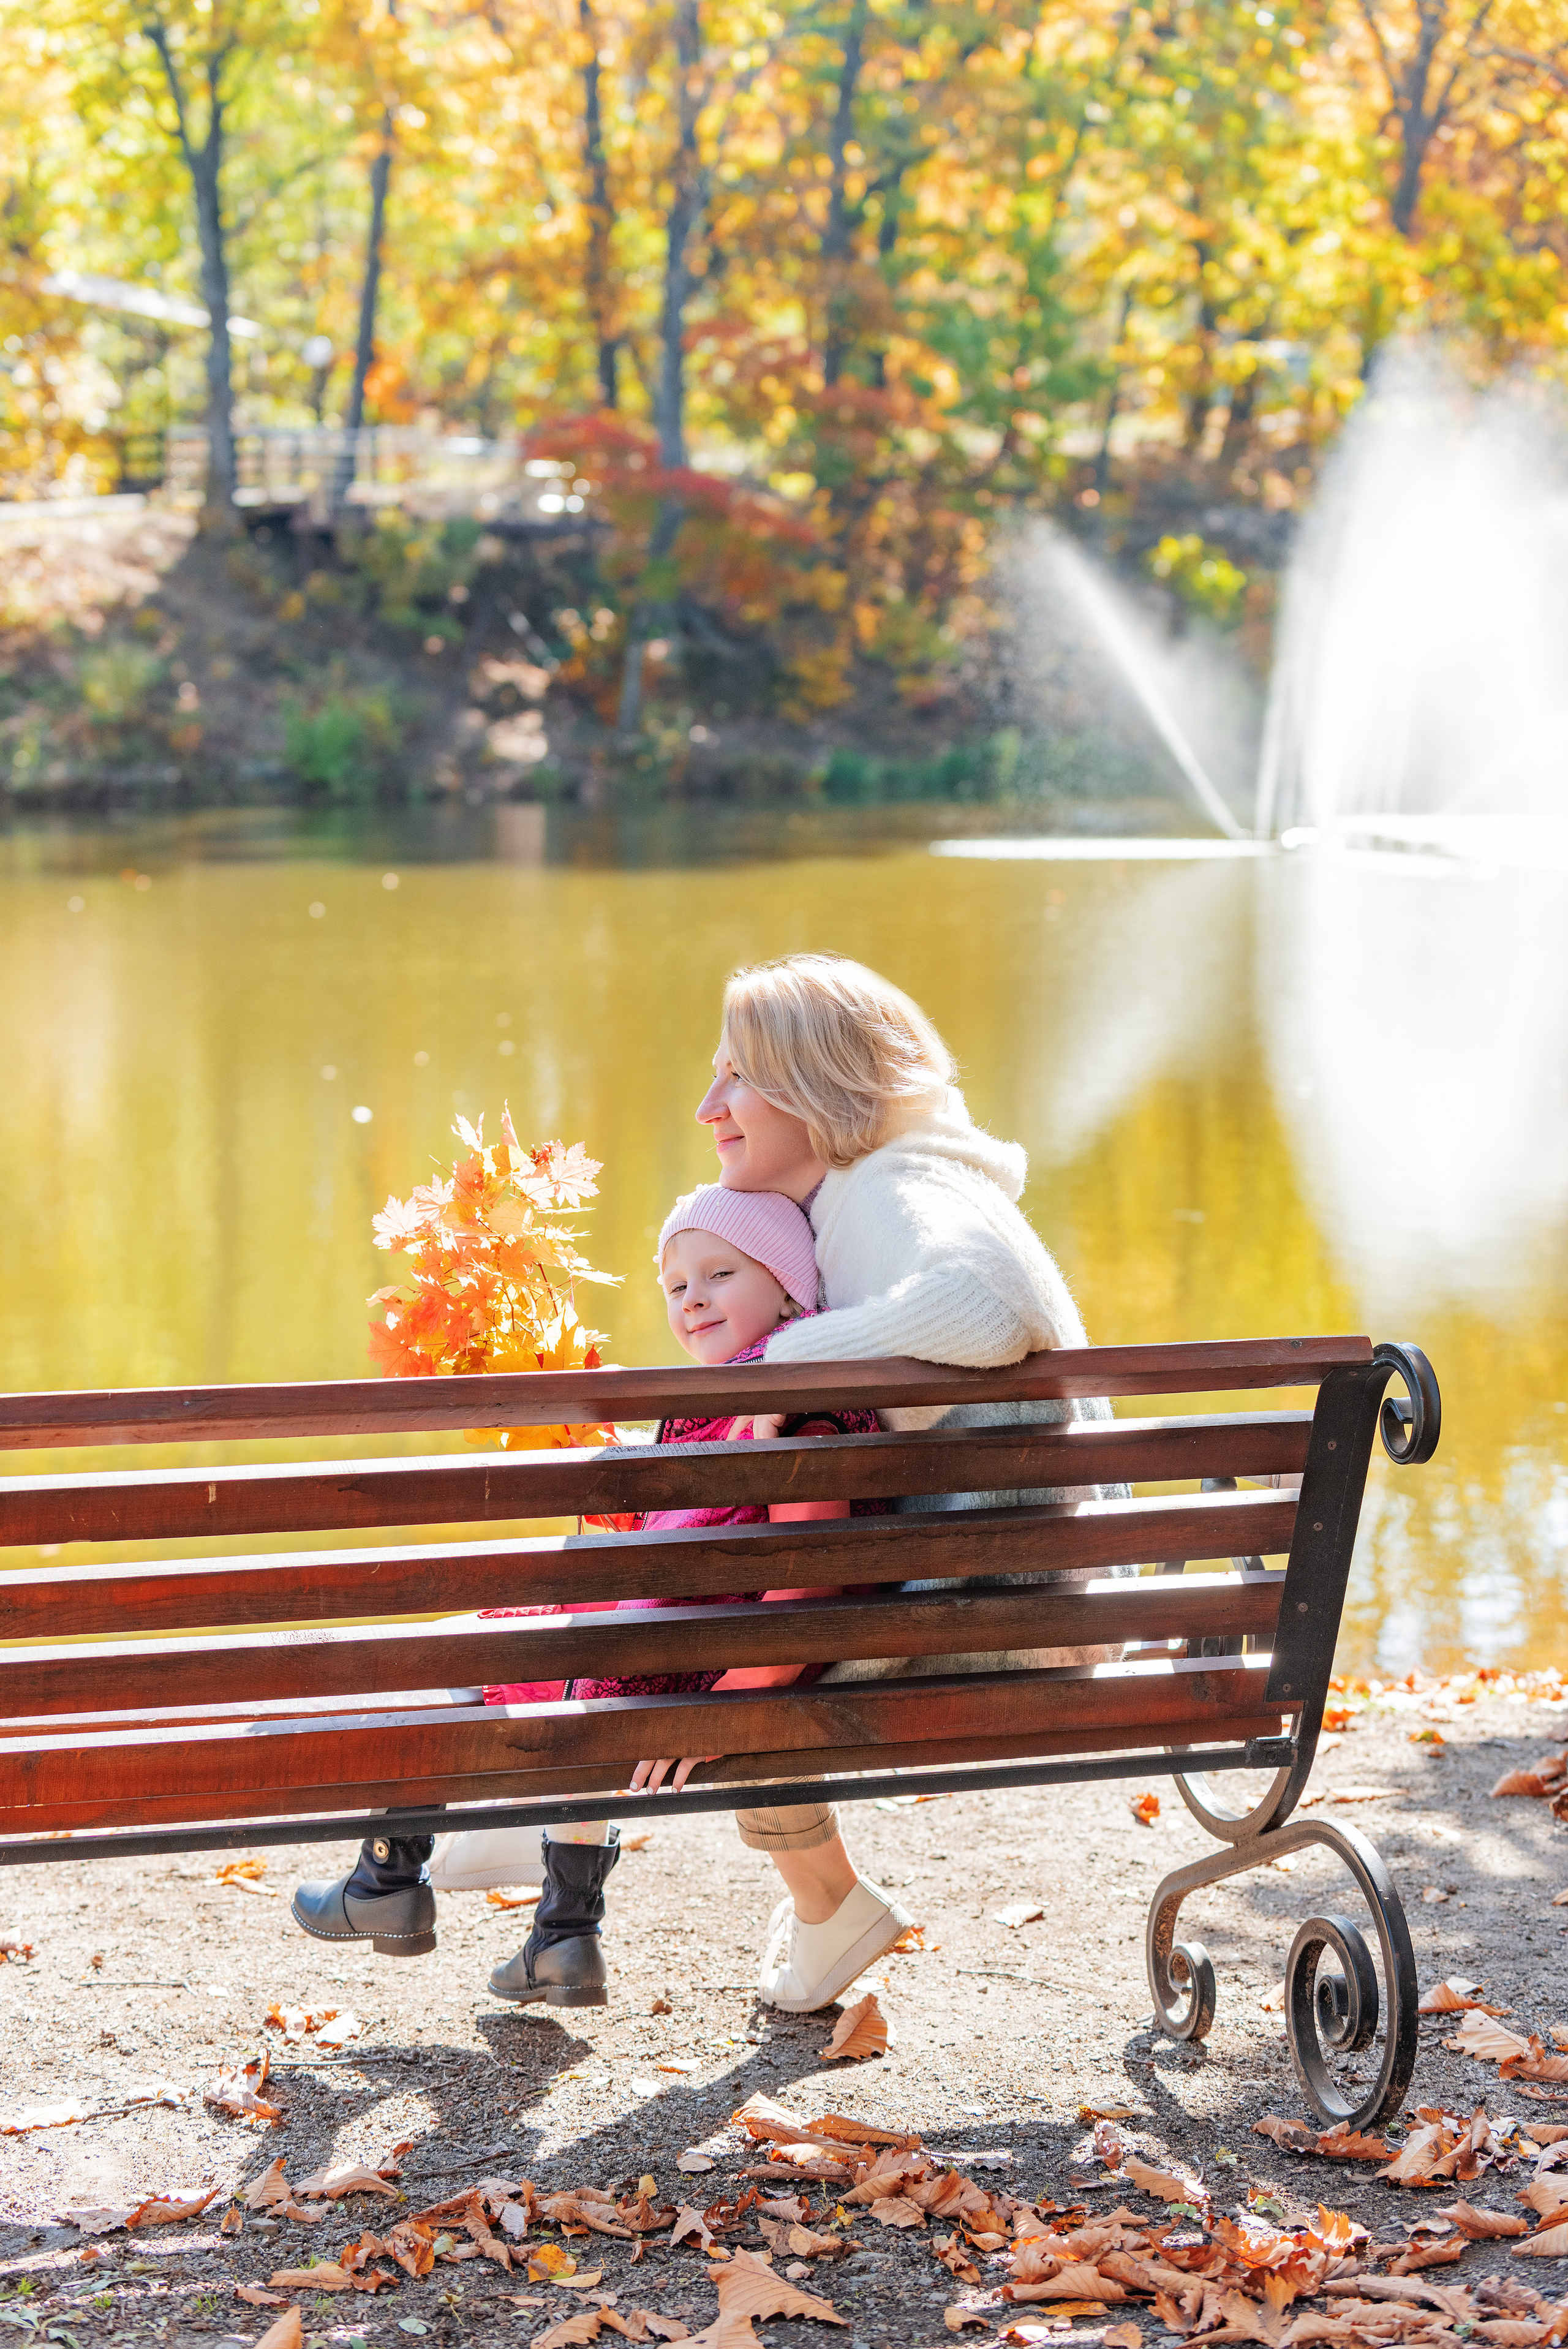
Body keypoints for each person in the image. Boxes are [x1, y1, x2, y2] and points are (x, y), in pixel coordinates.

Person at [479, 1183, 910, 2012]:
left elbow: (808, 1586)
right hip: (663, 1658)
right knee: (515, 1649)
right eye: (677, 1288)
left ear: (788, 1288)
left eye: (720, 1275)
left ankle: (410, 1872)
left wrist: (728, 1707)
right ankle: (540, 1922)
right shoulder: (736, 1410)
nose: (694, 1300)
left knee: (495, 1665)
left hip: (693, 1680)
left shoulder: (795, 1419)